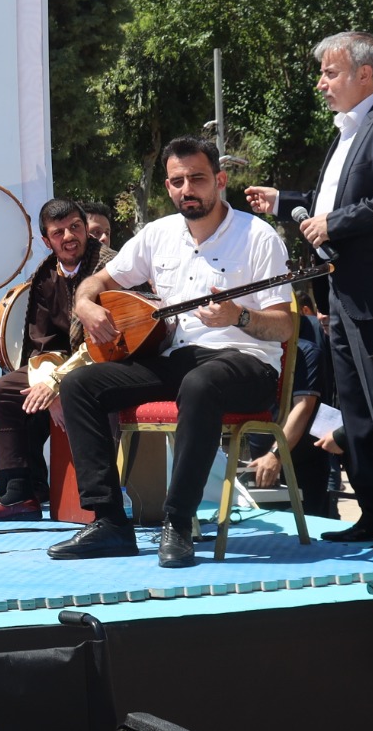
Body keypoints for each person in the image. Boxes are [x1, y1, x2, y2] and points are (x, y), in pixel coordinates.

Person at [56, 136, 295, 568]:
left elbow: (284, 324)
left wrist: (238, 317)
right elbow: (98, 281)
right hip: (180, 359)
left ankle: (178, 522)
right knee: (79, 385)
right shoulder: (157, 234)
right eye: (178, 181)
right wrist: (85, 304)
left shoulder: (259, 236)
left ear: (220, 180)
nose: (189, 189)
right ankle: (109, 521)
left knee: (200, 384)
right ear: (168, 187)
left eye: (198, 179)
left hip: (247, 366)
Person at [245, 30, 373, 553]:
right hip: (342, 294)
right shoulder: (348, 131)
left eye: (330, 73)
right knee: (358, 410)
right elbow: (329, 200)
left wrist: (334, 224)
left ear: (365, 74)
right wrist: (286, 201)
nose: (321, 83)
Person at [0, 199, 111, 522]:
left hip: (106, 362)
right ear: (46, 240)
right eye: (58, 232)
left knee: (62, 387)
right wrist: (46, 385)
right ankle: (21, 493)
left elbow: (106, 342)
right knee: (4, 391)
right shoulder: (46, 273)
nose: (69, 237)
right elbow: (41, 344)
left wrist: (56, 383)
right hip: (62, 365)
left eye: (75, 227)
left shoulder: (109, 268)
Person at [239, 299, 336, 517]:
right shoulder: (250, 351)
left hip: (301, 457)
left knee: (312, 523)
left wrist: (276, 454)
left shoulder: (306, 352)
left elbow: (303, 407)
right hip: (259, 454)